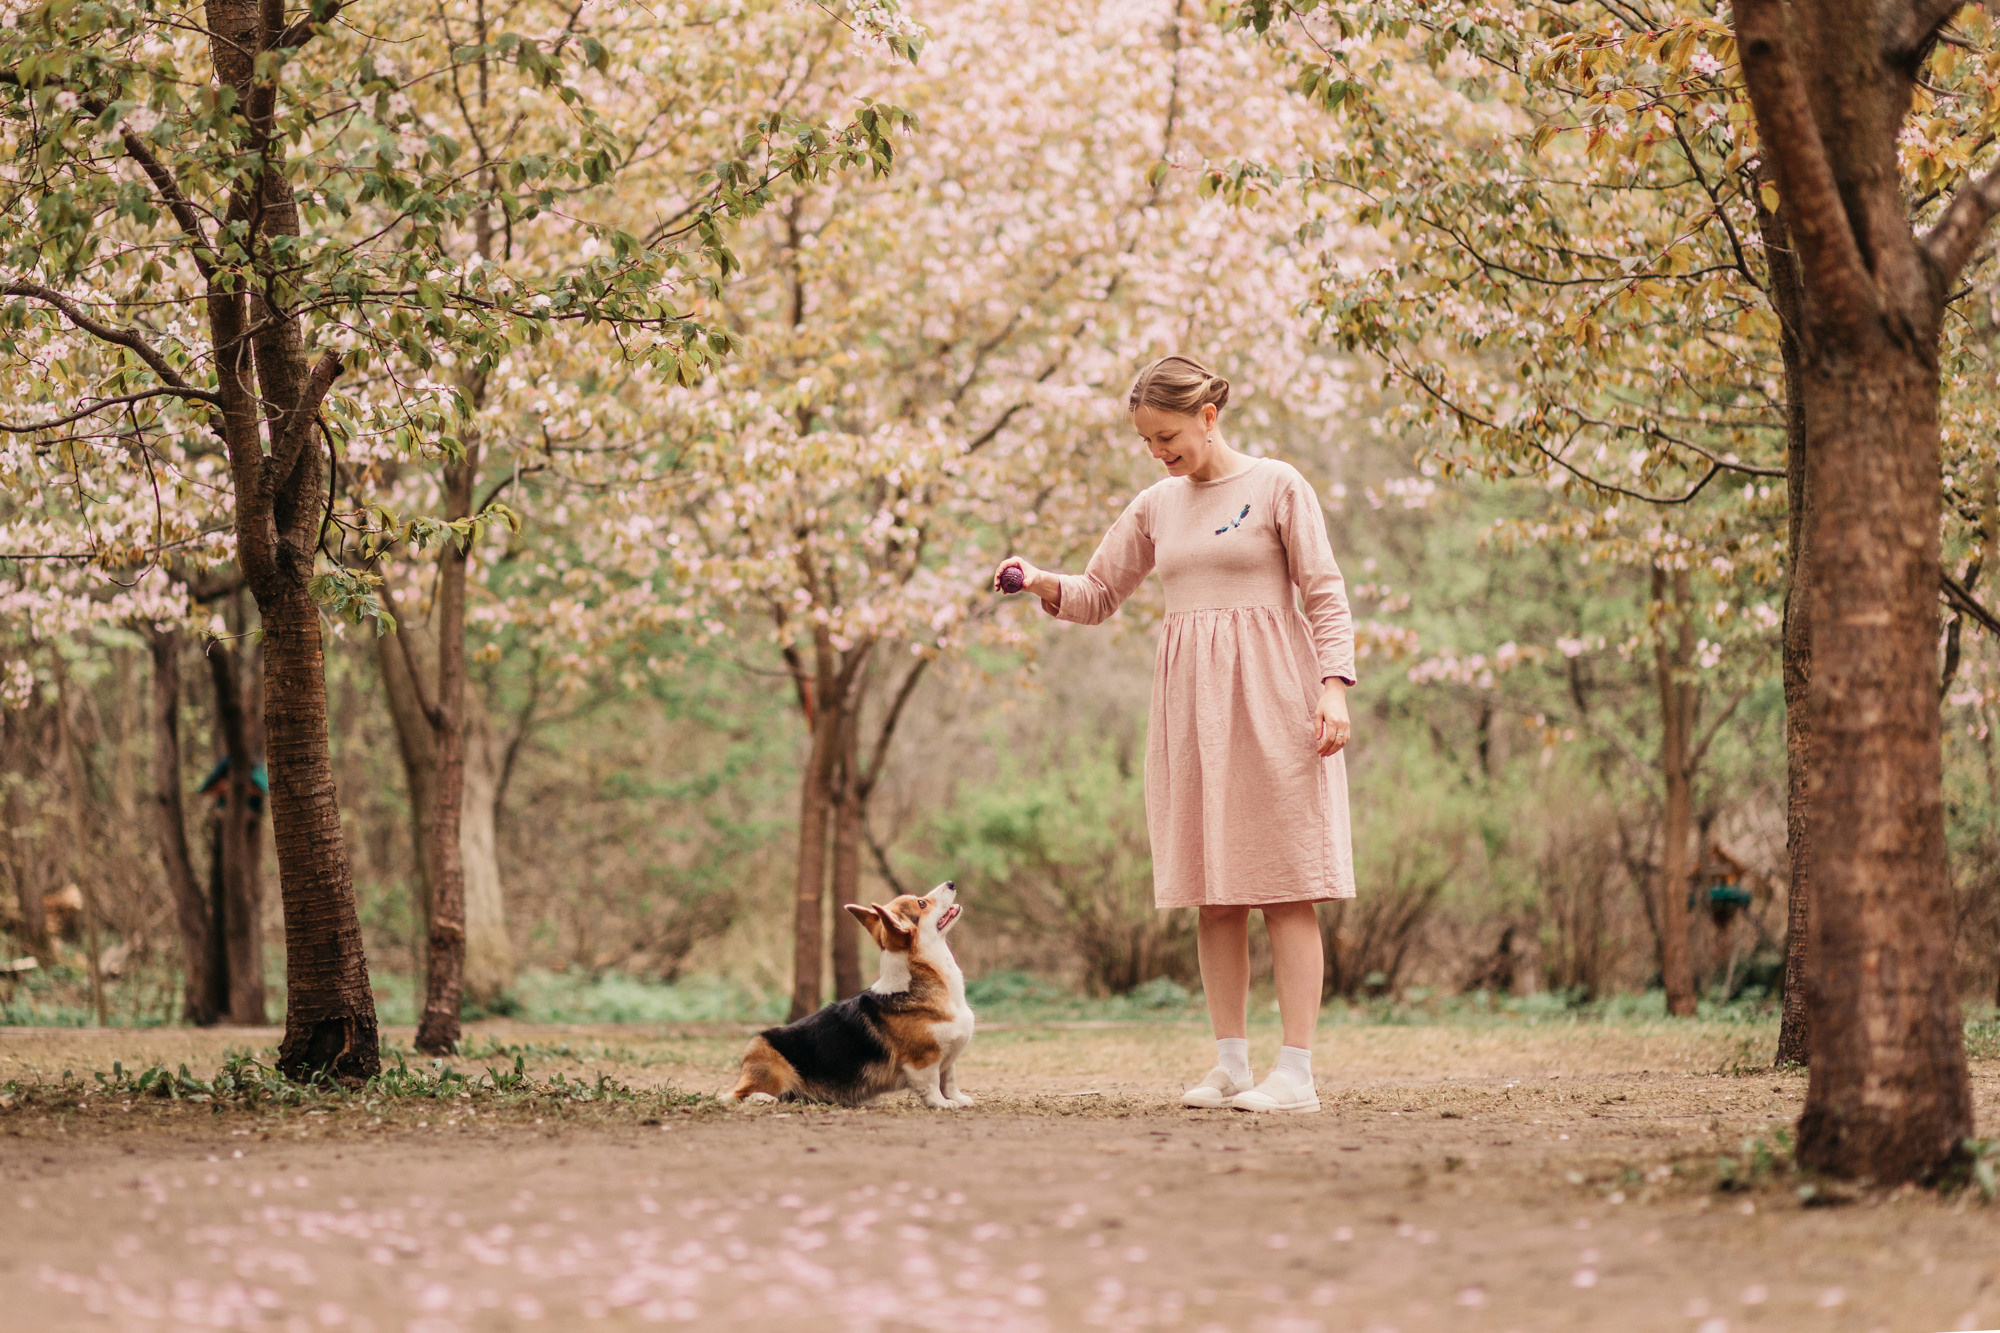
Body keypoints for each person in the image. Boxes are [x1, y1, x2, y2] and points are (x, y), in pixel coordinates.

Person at [995, 355, 1356, 1113]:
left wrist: (1333, 688)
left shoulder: (1277, 486)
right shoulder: (1157, 504)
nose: (1159, 453)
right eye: (1148, 442)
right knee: (1214, 890)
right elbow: (1098, 594)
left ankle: (1296, 1072)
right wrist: (1038, 580)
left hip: (1276, 699)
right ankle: (1231, 1062)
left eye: (1168, 436)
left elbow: (1325, 594)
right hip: (1194, 712)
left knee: (1289, 886)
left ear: (1208, 416)